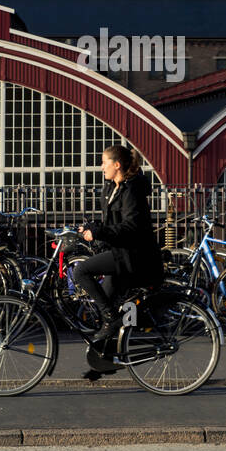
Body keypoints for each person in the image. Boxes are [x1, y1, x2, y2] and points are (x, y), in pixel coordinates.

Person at [70, 145, 164, 344]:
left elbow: (131, 227)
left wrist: (99, 232)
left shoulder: (131, 191)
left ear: (117, 165)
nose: (101, 167)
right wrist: (92, 228)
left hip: (133, 255)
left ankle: (113, 321)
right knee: (105, 304)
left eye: (104, 163)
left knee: (80, 271)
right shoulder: (113, 187)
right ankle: (103, 361)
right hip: (120, 252)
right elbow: (112, 223)